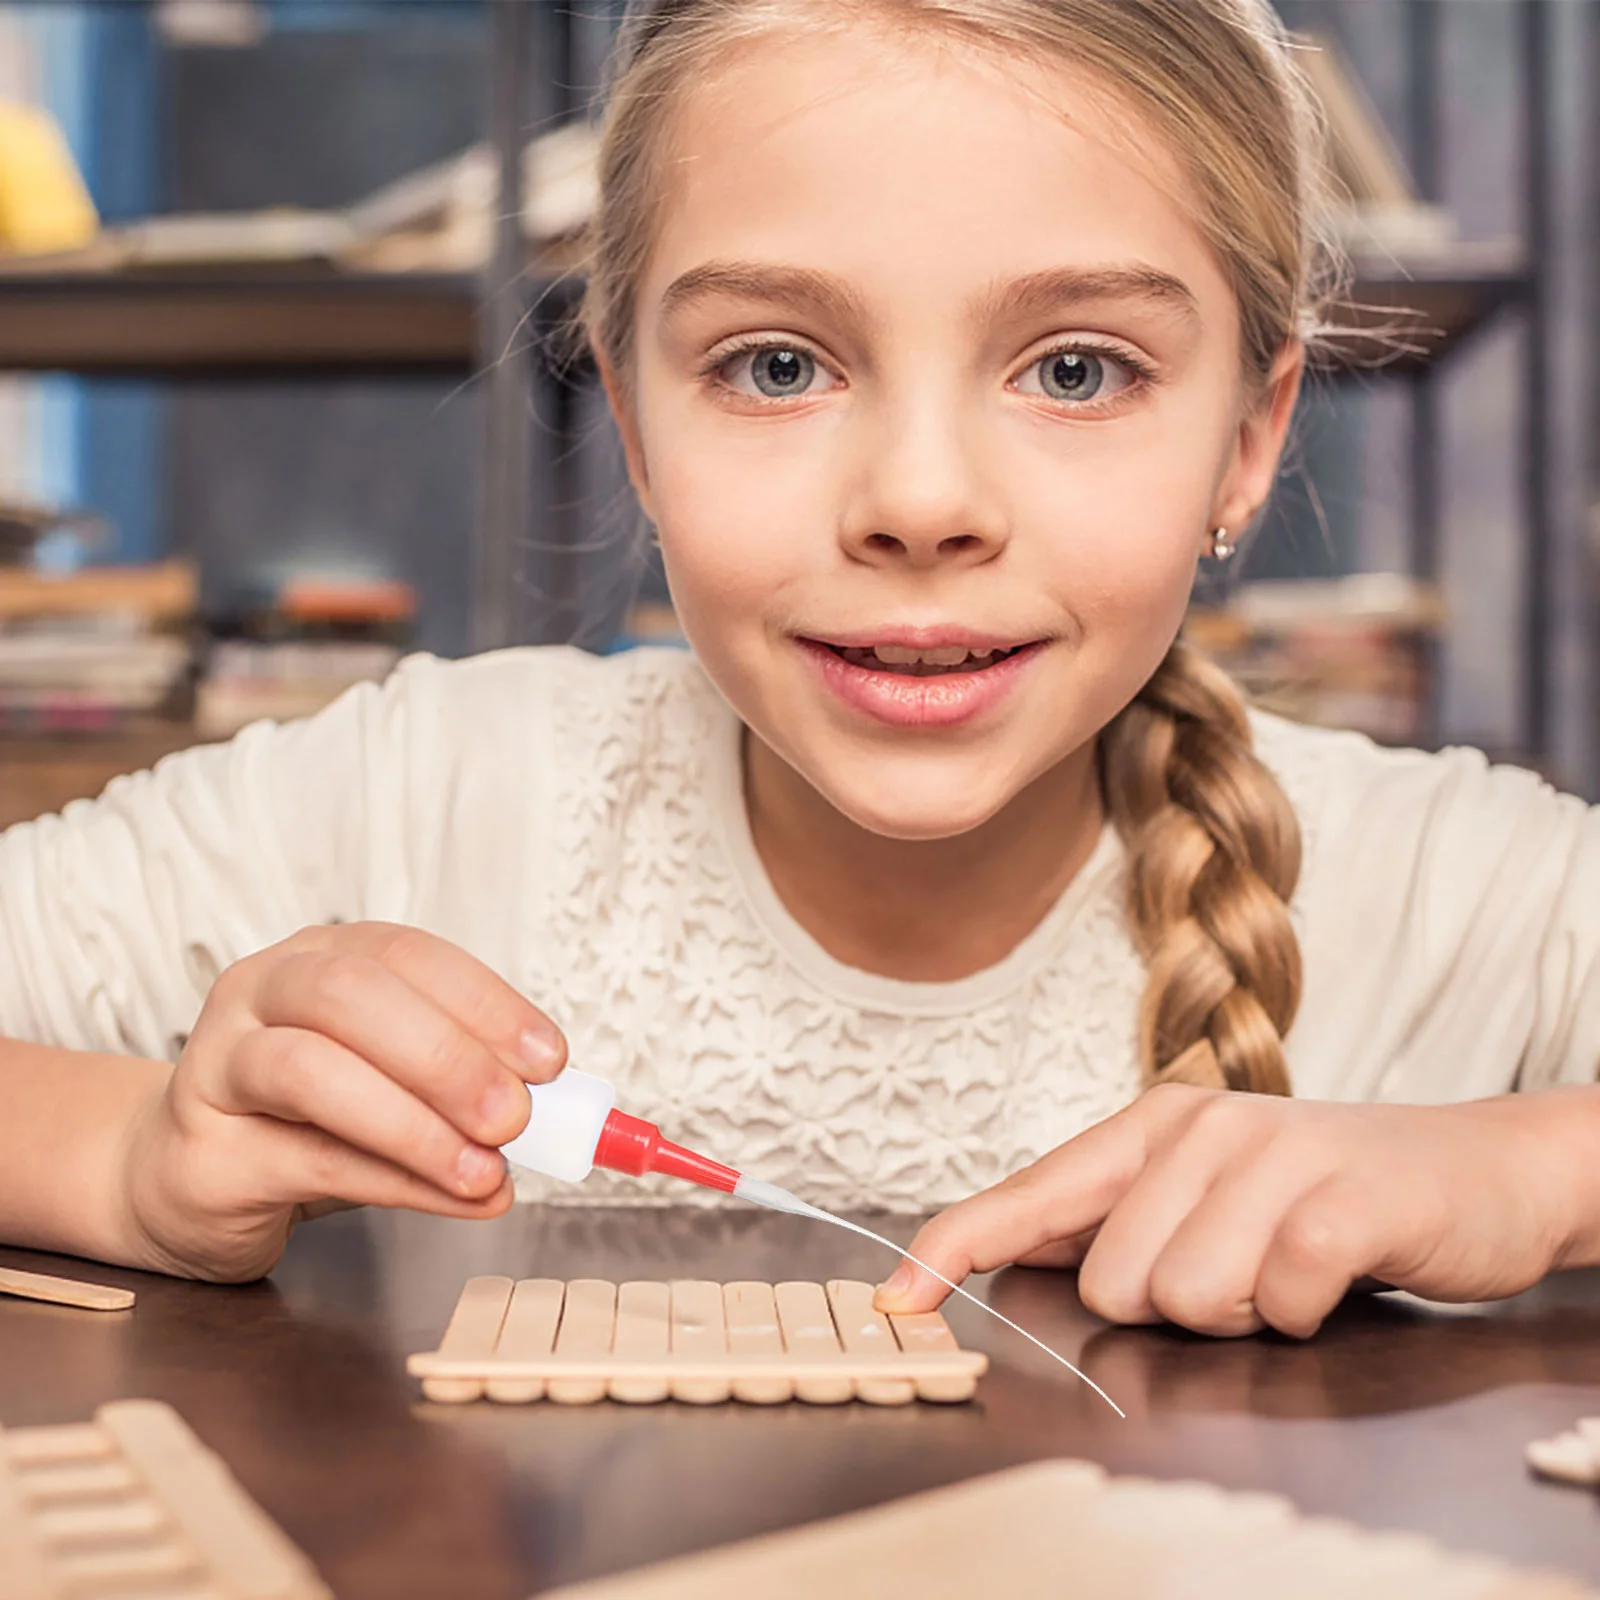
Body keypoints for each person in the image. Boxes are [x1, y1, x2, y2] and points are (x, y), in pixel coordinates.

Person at [1, 0, 1596, 1340]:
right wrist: (134, 1158)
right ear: (629, 418)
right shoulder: (416, 803)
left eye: (1075, 368)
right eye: (776, 365)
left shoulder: (1455, 893)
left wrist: (1526, 1171)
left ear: (1247, 442)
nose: (917, 503)